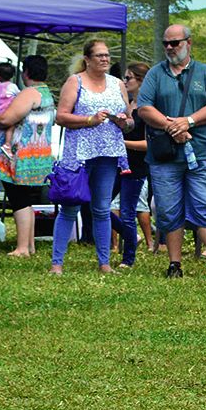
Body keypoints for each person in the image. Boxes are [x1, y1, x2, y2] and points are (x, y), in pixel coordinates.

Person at [138, 25, 206, 278]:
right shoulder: (156, 74)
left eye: (175, 43)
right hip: (165, 156)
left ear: (188, 43)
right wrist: (171, 126)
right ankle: (175, 264)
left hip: (201, 153)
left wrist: (188, 121)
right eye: (166, 43)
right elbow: (144, 108)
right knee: (168, 209)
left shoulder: (205, 73)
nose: (169, 47)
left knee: (205, 206)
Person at [51, 39, 133, 277]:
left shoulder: (118, 84)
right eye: (99, 55)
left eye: (107, 55)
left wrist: (123, 121)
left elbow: (130, 121)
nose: (105, 59)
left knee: (101, 208)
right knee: (70, 206)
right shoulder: (75, 82)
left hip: (108, 153)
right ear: (87, 59)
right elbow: (61, 116)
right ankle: (57, 263)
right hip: (79, 154)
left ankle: (104, 263)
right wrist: (89, 120)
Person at [0, 53, 54, 258]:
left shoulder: (29, 93)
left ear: (26, 72)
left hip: (20, 155)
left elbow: (8, 118)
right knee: (26, 199)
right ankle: (29, 246)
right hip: (37, 154)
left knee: (19, 199)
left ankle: (22, 248)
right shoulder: (47, 93)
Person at [115, 62, 152, 267]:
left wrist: (122, 142)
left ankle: (128, 258)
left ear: (141, 80)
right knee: (97, 204)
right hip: (118, 162)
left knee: (128, 211)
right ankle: (131, 236)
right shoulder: (126, 104)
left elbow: (148, 144)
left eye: (128, 78)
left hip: (136, 165)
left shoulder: (146, 110)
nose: (124, 81)